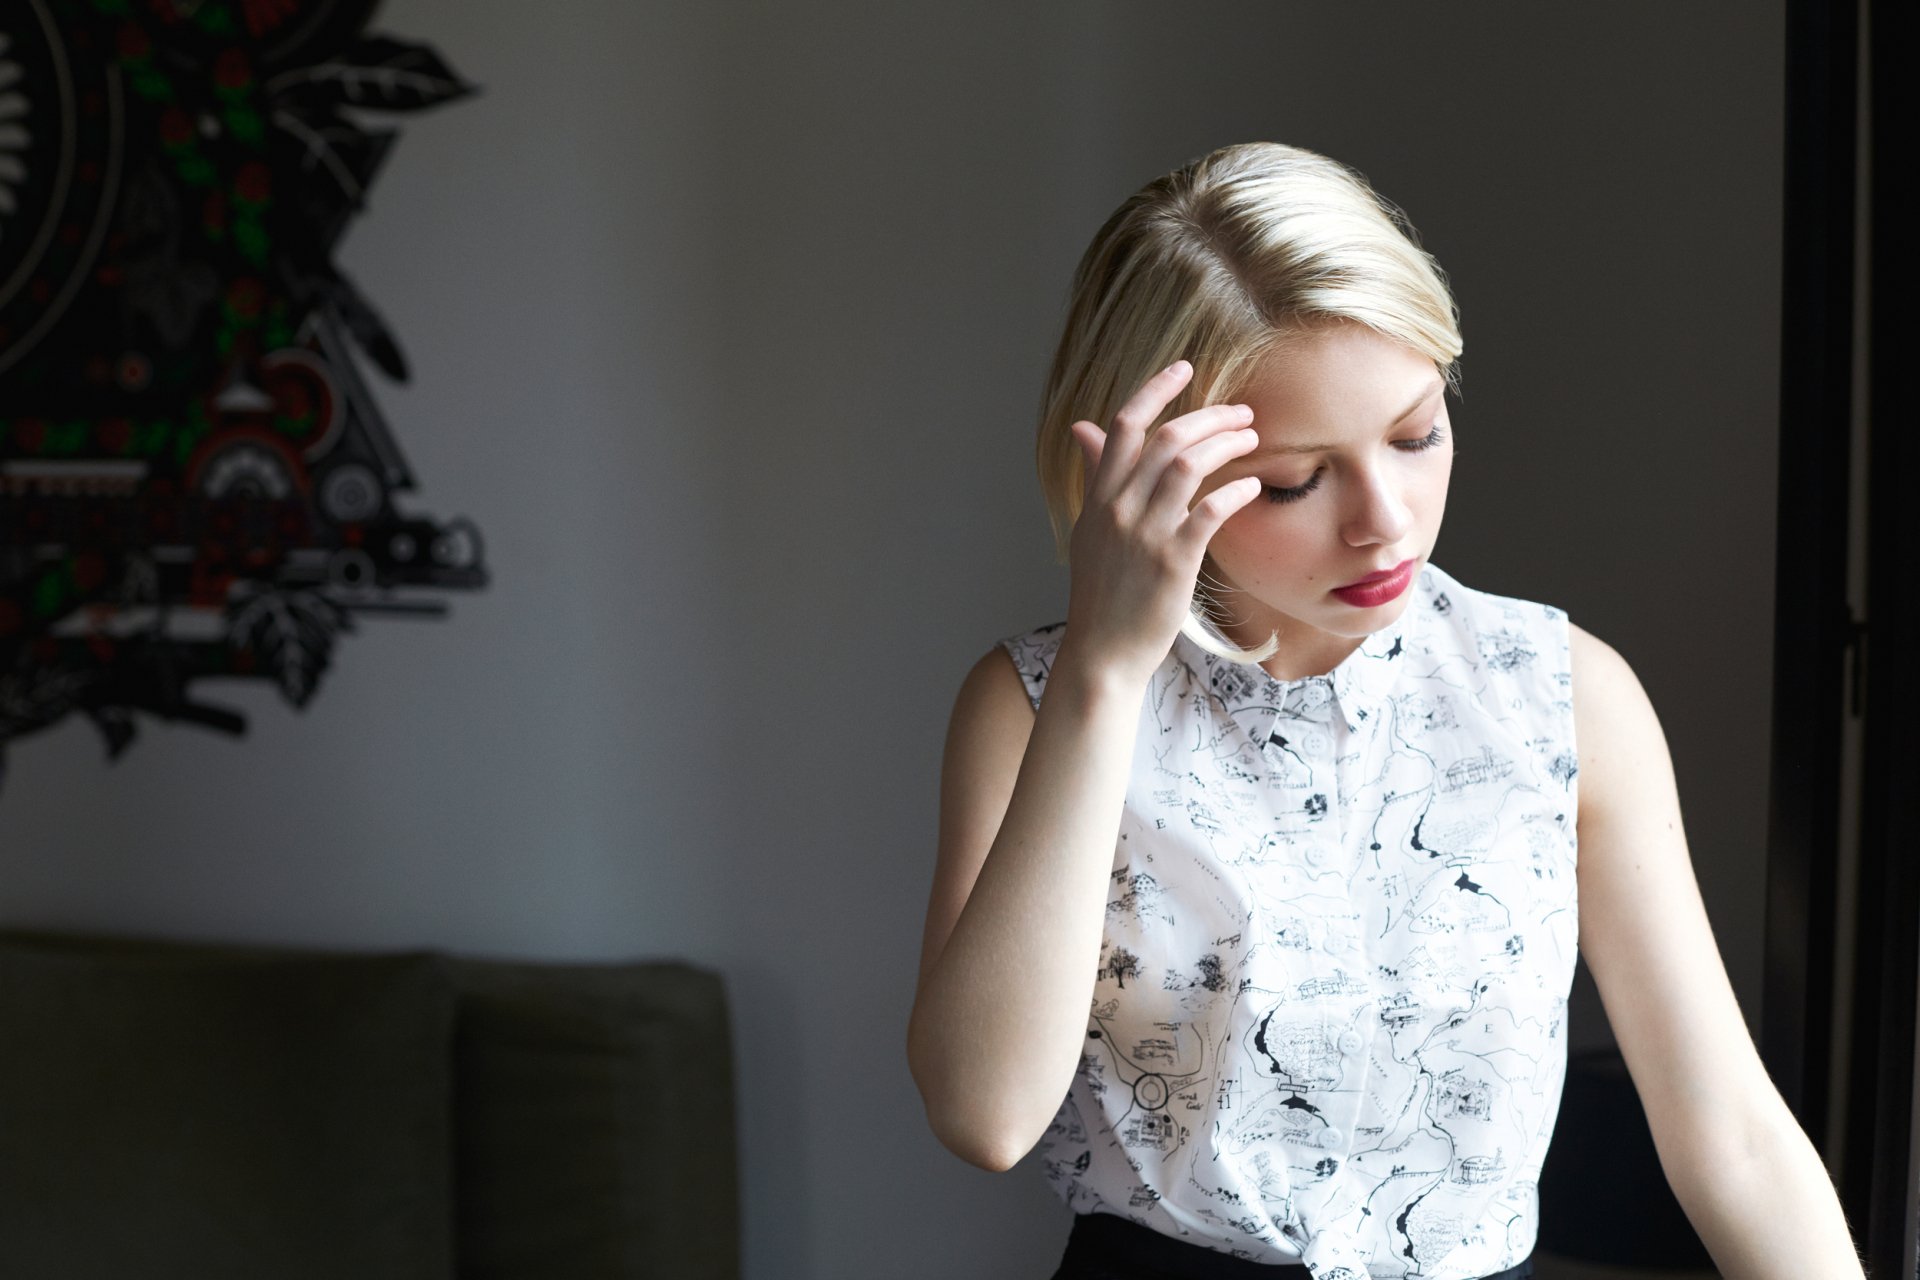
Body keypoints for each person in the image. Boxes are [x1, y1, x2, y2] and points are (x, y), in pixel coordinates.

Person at [905, 141, 1863, 1280]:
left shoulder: (1562, 696)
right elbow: (985, 1114)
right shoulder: (1031, 706)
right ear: (1154, 470)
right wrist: (1104, 674)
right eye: (1296, 480)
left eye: (1416, 436)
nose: (1385, 521)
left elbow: (1734, 1139)